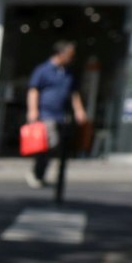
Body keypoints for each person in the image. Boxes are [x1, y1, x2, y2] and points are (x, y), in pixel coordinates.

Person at [25, 40, 87, 189]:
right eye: (70, 55)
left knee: (56, 146)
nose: (72, 58)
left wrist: (79, 110)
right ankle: (37, 172)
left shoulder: (68, 72)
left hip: (62, 115)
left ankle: (41, 173)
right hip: (46, 113)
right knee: (49, 144)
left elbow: (74, 93)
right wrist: (33, 110)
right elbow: (34, 90)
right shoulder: (43, 70)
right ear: (60, 54)